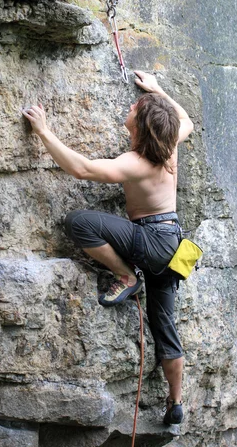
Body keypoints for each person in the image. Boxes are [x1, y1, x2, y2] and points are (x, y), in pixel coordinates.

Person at [23, 70, 194, 425]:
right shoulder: (170, 143)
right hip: (172, 244)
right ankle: (176, 403)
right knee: (164, 323)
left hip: (151, 240)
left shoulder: (136, 164)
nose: (131, 104)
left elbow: (83, 170)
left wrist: (43, 131)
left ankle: (125, 274)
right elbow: (185, 119)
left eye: (137, 106)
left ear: (141, 126)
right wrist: (159, 90)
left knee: (79, 222)